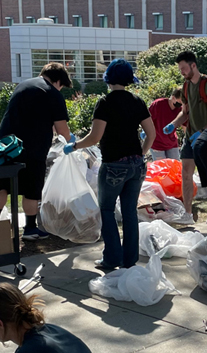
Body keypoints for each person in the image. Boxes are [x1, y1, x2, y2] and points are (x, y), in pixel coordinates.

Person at [66, 59, 156, 271]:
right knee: (130, 212)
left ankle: (112, 258)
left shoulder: (105, 102)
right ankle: (129, 259)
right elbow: (151, 134)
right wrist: (140, 154)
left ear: (108, 78)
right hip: (136, 164)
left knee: (106, 210)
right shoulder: (137, 101)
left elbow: (95, 136)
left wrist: (75, 145)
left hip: (114, 164)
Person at [0, 62, 74, 240]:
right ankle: (30, 228)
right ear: (58, 81)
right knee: (32, 189)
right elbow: (62, 129)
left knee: (1, 186)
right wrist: (73, 143)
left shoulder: (22, 85)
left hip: (4, 145)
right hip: (32, 149)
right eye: (62, 86)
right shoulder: (52, 93)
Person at [163, 51, 207, 219]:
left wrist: (203, 132)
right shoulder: (185, 86)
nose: (182, 72)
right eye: (180, 69)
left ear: (193, 65)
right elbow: (185, 113)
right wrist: (173, 124)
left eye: (184, 68)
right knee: (185, 174)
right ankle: (187, 213)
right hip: (191, 138)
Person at [148, 88, 183, 160]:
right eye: (180, 102)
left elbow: (184, 125)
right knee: (162, 169)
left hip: (172, 142)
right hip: (157, 143)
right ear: (173, 98)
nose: (181, 104)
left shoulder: (180, 110)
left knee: (175, 167)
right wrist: (145, 132)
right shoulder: (158, 104)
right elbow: (148, 120)